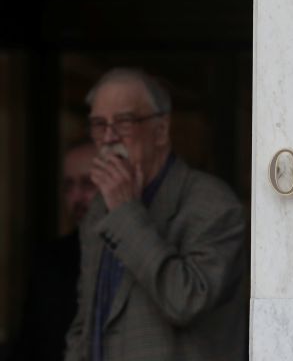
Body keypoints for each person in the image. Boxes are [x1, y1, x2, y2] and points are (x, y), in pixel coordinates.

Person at [65, 68, 246, 361]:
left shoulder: (213, 204)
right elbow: (86, 321)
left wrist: (126, 213)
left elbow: (187, 301)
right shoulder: (100, 207)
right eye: (99, 124)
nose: (109, 137)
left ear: (161, 130)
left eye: (123, 122)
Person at [9, 140, 97, 361]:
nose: (77, 197)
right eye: (68, 186)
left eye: (88, 184)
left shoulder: (137, 253)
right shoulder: (49, 261)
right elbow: (31, 344)